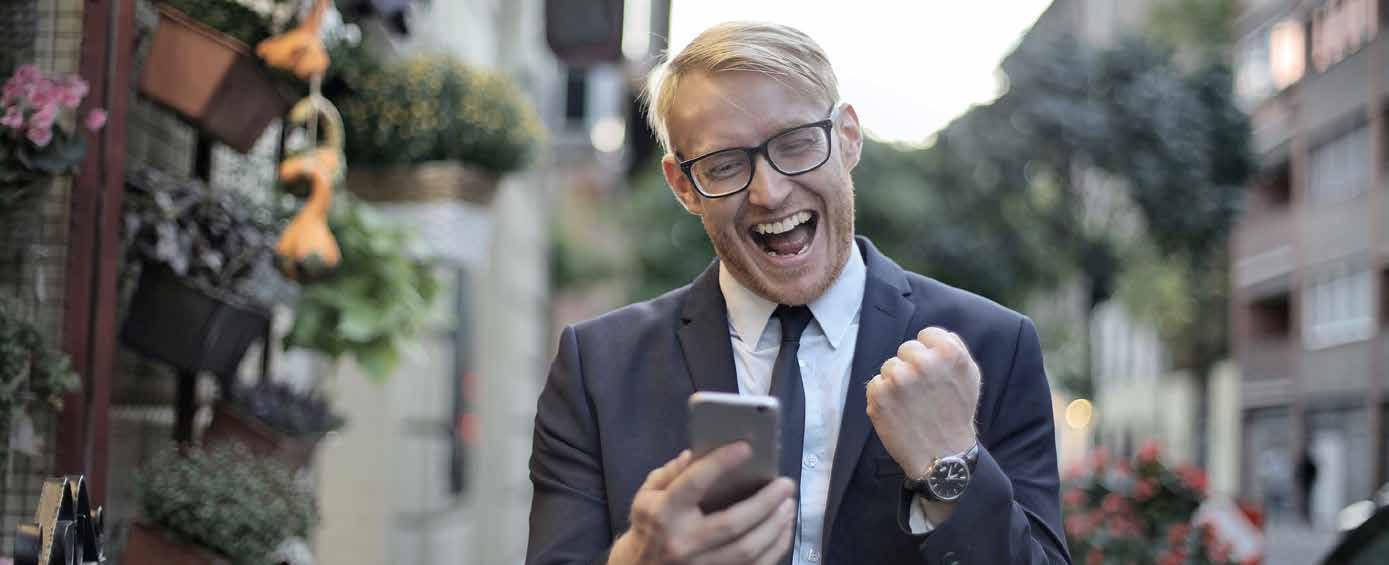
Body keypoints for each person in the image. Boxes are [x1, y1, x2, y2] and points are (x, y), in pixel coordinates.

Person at [527, 21, 1069, 565]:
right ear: (684, 186)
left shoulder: (994, 346)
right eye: (724, 165)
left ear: (848, 137)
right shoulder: (596, 367)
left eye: (796, 143)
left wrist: (951, 464)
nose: (769, 191)